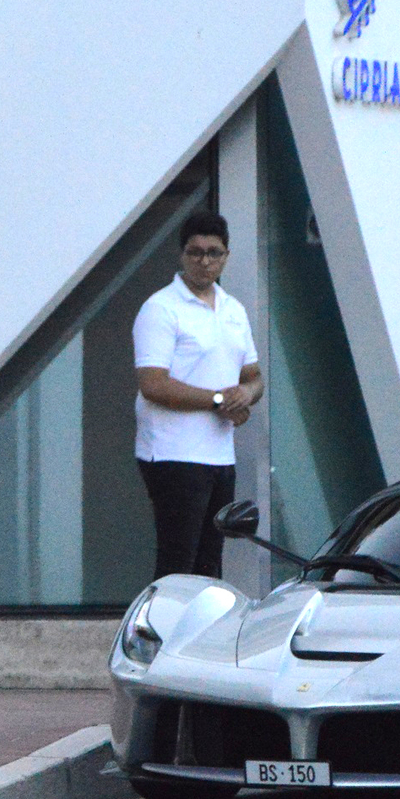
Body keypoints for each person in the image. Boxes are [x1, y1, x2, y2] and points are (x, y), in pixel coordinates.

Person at [132, 212, 263, 581]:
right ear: (181, 255)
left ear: (226, 256)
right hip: (173, 453)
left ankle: (202, 638)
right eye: (195, 252)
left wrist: (244, 396)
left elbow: (254, 378)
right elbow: (153, 384)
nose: (204, 261)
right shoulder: (161, 308)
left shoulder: (233, 310)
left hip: (219, 455)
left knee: (210, 563)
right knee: (178, 563)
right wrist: (220, 401)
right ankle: (163, 637)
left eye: (214, 253)